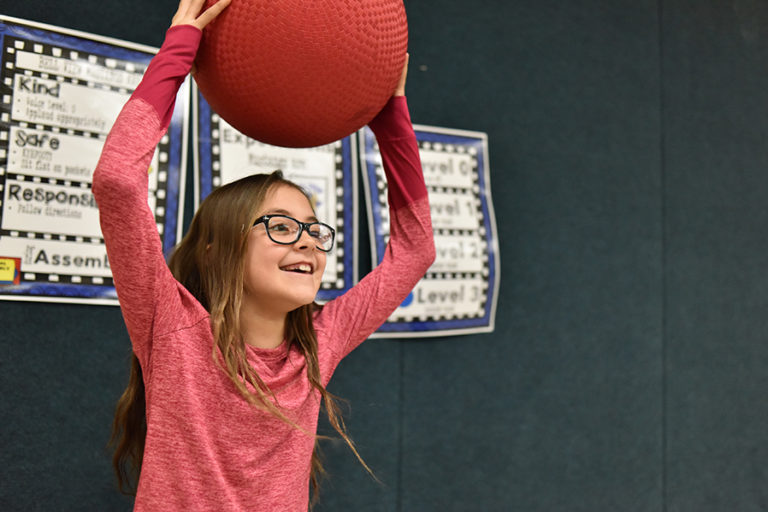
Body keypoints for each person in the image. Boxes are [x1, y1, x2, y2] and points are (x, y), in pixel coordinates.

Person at [92, 0, 435, 509]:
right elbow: (117, 181)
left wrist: (388, 115)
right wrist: (180, 48)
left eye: (314, 230)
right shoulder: (171, 327)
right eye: (279, 226)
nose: (306, 241)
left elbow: (416, 250)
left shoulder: (320, 343)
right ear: (215, 250)